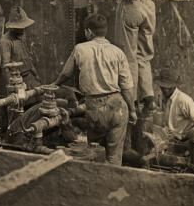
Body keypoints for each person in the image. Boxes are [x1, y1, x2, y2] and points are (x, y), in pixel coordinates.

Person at [53, 13, 136, 166]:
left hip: (95, 109)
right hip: (118, 106)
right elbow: (127, 87)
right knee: (114, 157)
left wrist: (54, 84)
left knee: (94, 155)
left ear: (89, 32)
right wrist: (132, 111)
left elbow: (66, 73)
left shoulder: (80, 49)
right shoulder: (118, 52)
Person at [156, 68, 194, 140]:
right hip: (168, 138)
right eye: (163, 87)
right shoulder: (161, 97)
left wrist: (183, 135)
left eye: (169, 87)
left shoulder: (183, 100)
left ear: (174, 85)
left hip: (181, 141)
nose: (165, 89)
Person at [0, 6, 40, 93]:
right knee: (23, 104)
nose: (23, 30)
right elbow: (6, 68)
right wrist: (13, 90)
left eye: (24, 27)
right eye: (20, 28)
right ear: (12, 27)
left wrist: (36, 76)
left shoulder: (22, 35)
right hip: (18, 80)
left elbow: (27, 58)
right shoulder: (5, 41)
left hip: (30, 78)